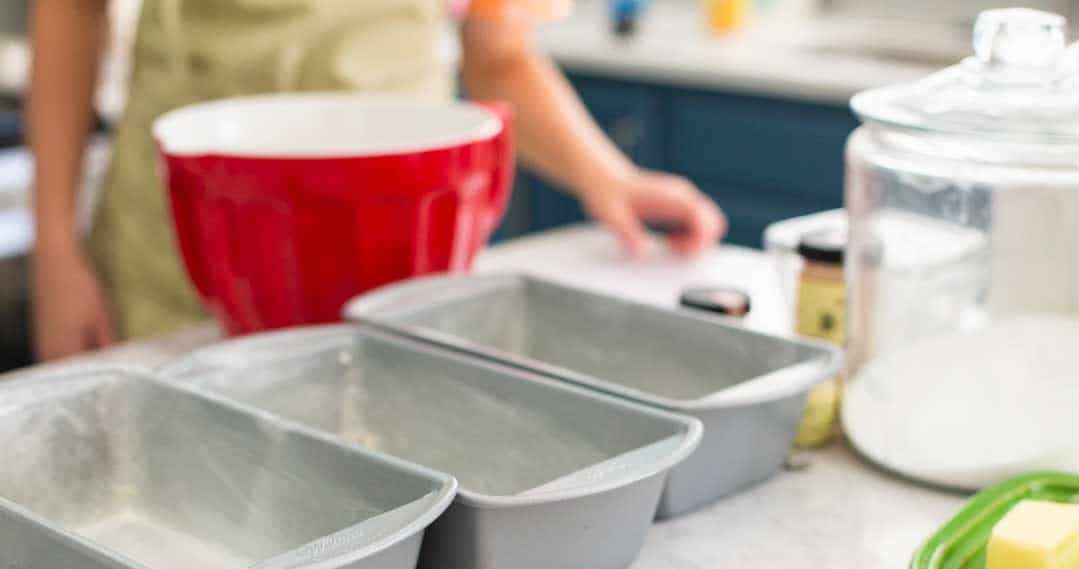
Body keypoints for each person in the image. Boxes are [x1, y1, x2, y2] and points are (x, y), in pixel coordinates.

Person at [29, 0, 727, 361]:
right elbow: (69, 11)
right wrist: (56, 248)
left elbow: (500, 54)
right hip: (183, 255)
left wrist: (611, 177)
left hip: (395, 263)